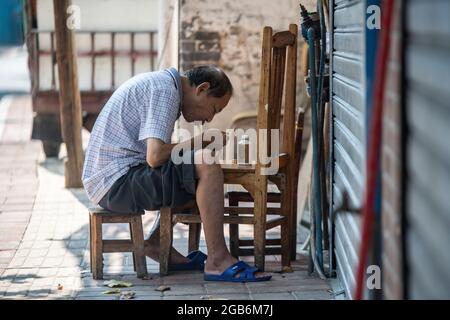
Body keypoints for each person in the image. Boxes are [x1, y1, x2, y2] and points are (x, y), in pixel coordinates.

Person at [82, 65, 270, 282]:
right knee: (206, 164)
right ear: (202, 89)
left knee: (192, 172)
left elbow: (158, 157)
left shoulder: (162, 85)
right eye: (215, 109)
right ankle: (218, 260)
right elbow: (155, 156)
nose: (209, 118)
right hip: (115, 183)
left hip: (110, 180)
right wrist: (201, 140)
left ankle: (154, 243)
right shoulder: (165, 91)